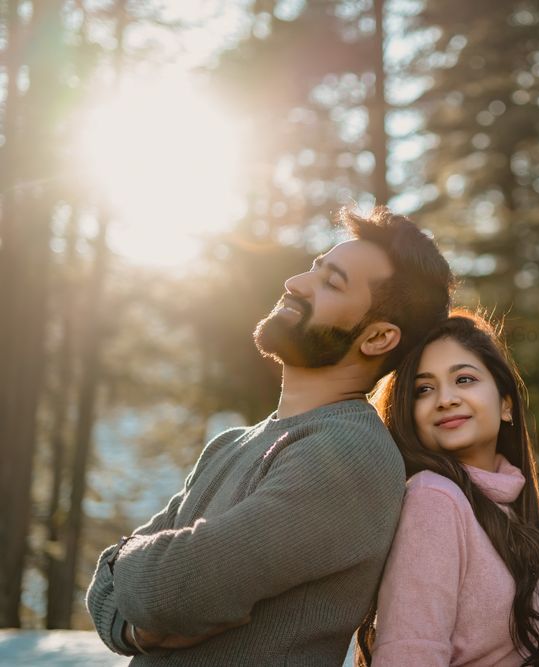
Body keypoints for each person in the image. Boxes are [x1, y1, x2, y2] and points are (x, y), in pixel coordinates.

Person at [85, 206, 453, 666]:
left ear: (378, 338)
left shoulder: (350, 455)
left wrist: (124, 564)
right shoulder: (230, 444)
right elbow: (106, 588)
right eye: (314, 269)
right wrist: (134, 625)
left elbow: (173, 591)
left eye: (331, 283)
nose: (296, 283)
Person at [356, 312, 539, 666]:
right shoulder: (433, 498)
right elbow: (410, 653)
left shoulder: (508, 509)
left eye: (464, 379)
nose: (446, 399)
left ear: (506, 404)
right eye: (424, 389)